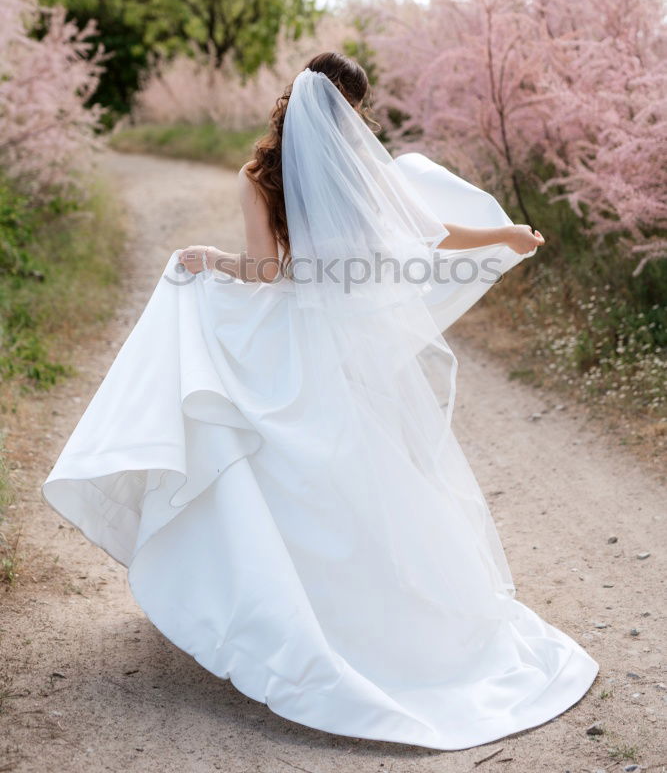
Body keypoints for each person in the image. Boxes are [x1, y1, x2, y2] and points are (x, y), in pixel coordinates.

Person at [42, 51, 598, 751]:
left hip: (294, 343)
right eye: (355, 108)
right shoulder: (359, 170)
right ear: (348, 109)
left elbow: (267, 272)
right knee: (369, 482)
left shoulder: (259, 176)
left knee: (278, 467)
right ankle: (397, 627)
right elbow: (430, 234)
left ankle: (284, 615)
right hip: (350, 351)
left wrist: (207, 261)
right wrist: (504, 234)